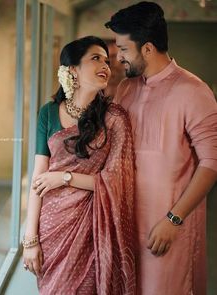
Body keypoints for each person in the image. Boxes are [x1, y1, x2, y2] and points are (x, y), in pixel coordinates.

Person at [105, 2, 217, 295]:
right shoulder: (126, 89)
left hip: (168, 228)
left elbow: (211, 162)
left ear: (148, 49)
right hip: (126, 225)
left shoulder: (194, 91)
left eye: (124, 50)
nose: (118, 58)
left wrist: (174, 219)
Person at [22, 36, 137, 295]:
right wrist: (30, 240)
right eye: (96, 58)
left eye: (107, 60)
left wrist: (65, 177)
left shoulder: (115, 118)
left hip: (93, 229)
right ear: (72, 69)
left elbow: (118, 182)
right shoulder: (48, 113)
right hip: (53, 227)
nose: (106, 65)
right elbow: (38, 179)